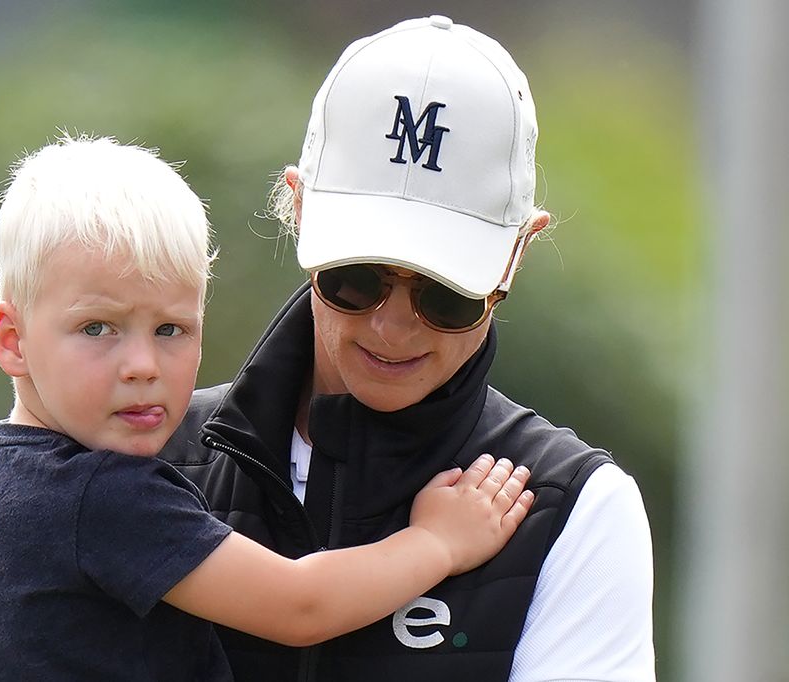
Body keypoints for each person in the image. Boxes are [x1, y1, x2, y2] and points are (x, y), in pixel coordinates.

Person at [0, 133, 535, 681]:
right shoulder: (105, 498)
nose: (142, 364)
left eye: (170, 330)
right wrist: (437, 542)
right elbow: (299, 606)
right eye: (98, 329)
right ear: (12, 340)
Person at [158, 15, 655, 681]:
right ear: (299, 211)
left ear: (517, 253)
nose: (393, 328)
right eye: (356, 279)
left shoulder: (580, 511)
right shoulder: (144, 460)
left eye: (444, 294)